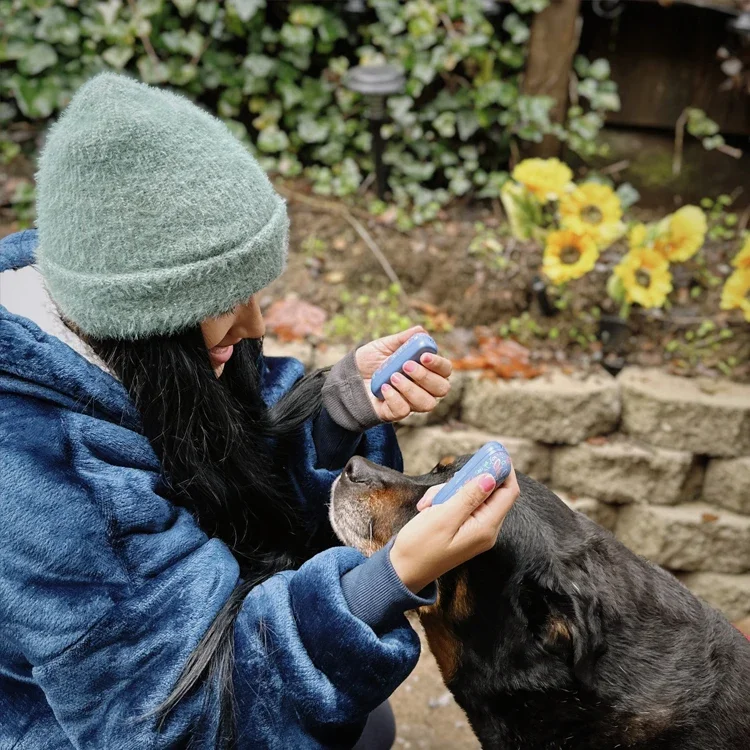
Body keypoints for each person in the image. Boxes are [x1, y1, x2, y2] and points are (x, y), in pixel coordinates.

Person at [0, 73, 519, 750]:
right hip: (75, 725)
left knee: (366, 725)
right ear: (143, 320)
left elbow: (218, 462)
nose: (256, 322)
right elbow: (178, 721)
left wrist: (331, 417)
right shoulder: (38, 478)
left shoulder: (139, 337)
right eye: (228, 300)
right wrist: (381, 587)